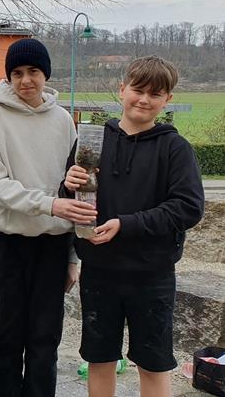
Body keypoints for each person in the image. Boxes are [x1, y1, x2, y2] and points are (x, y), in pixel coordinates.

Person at [62, 56, 204, 397]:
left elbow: (188, 207)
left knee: (153, 364)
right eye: (138, 90)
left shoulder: (175, 148)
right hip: (99, 270)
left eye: (155, 94)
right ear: (122, 89)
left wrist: (126, 225)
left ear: (167, 99)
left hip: (152, 275)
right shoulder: (92, 142)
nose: (144, 99)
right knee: (99, 360)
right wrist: (67, 185)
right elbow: (72, 201)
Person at [0, 38, 94, 397]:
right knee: (7, 339)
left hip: (53, 245)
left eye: (34, 71)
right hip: (5, 243)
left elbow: (74, 190)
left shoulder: (63, 121)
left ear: (46, 75)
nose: (26, 80)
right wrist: (50, 205)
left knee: (45, 340)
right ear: (9, 77)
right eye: (17, 73)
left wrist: (73, 258)